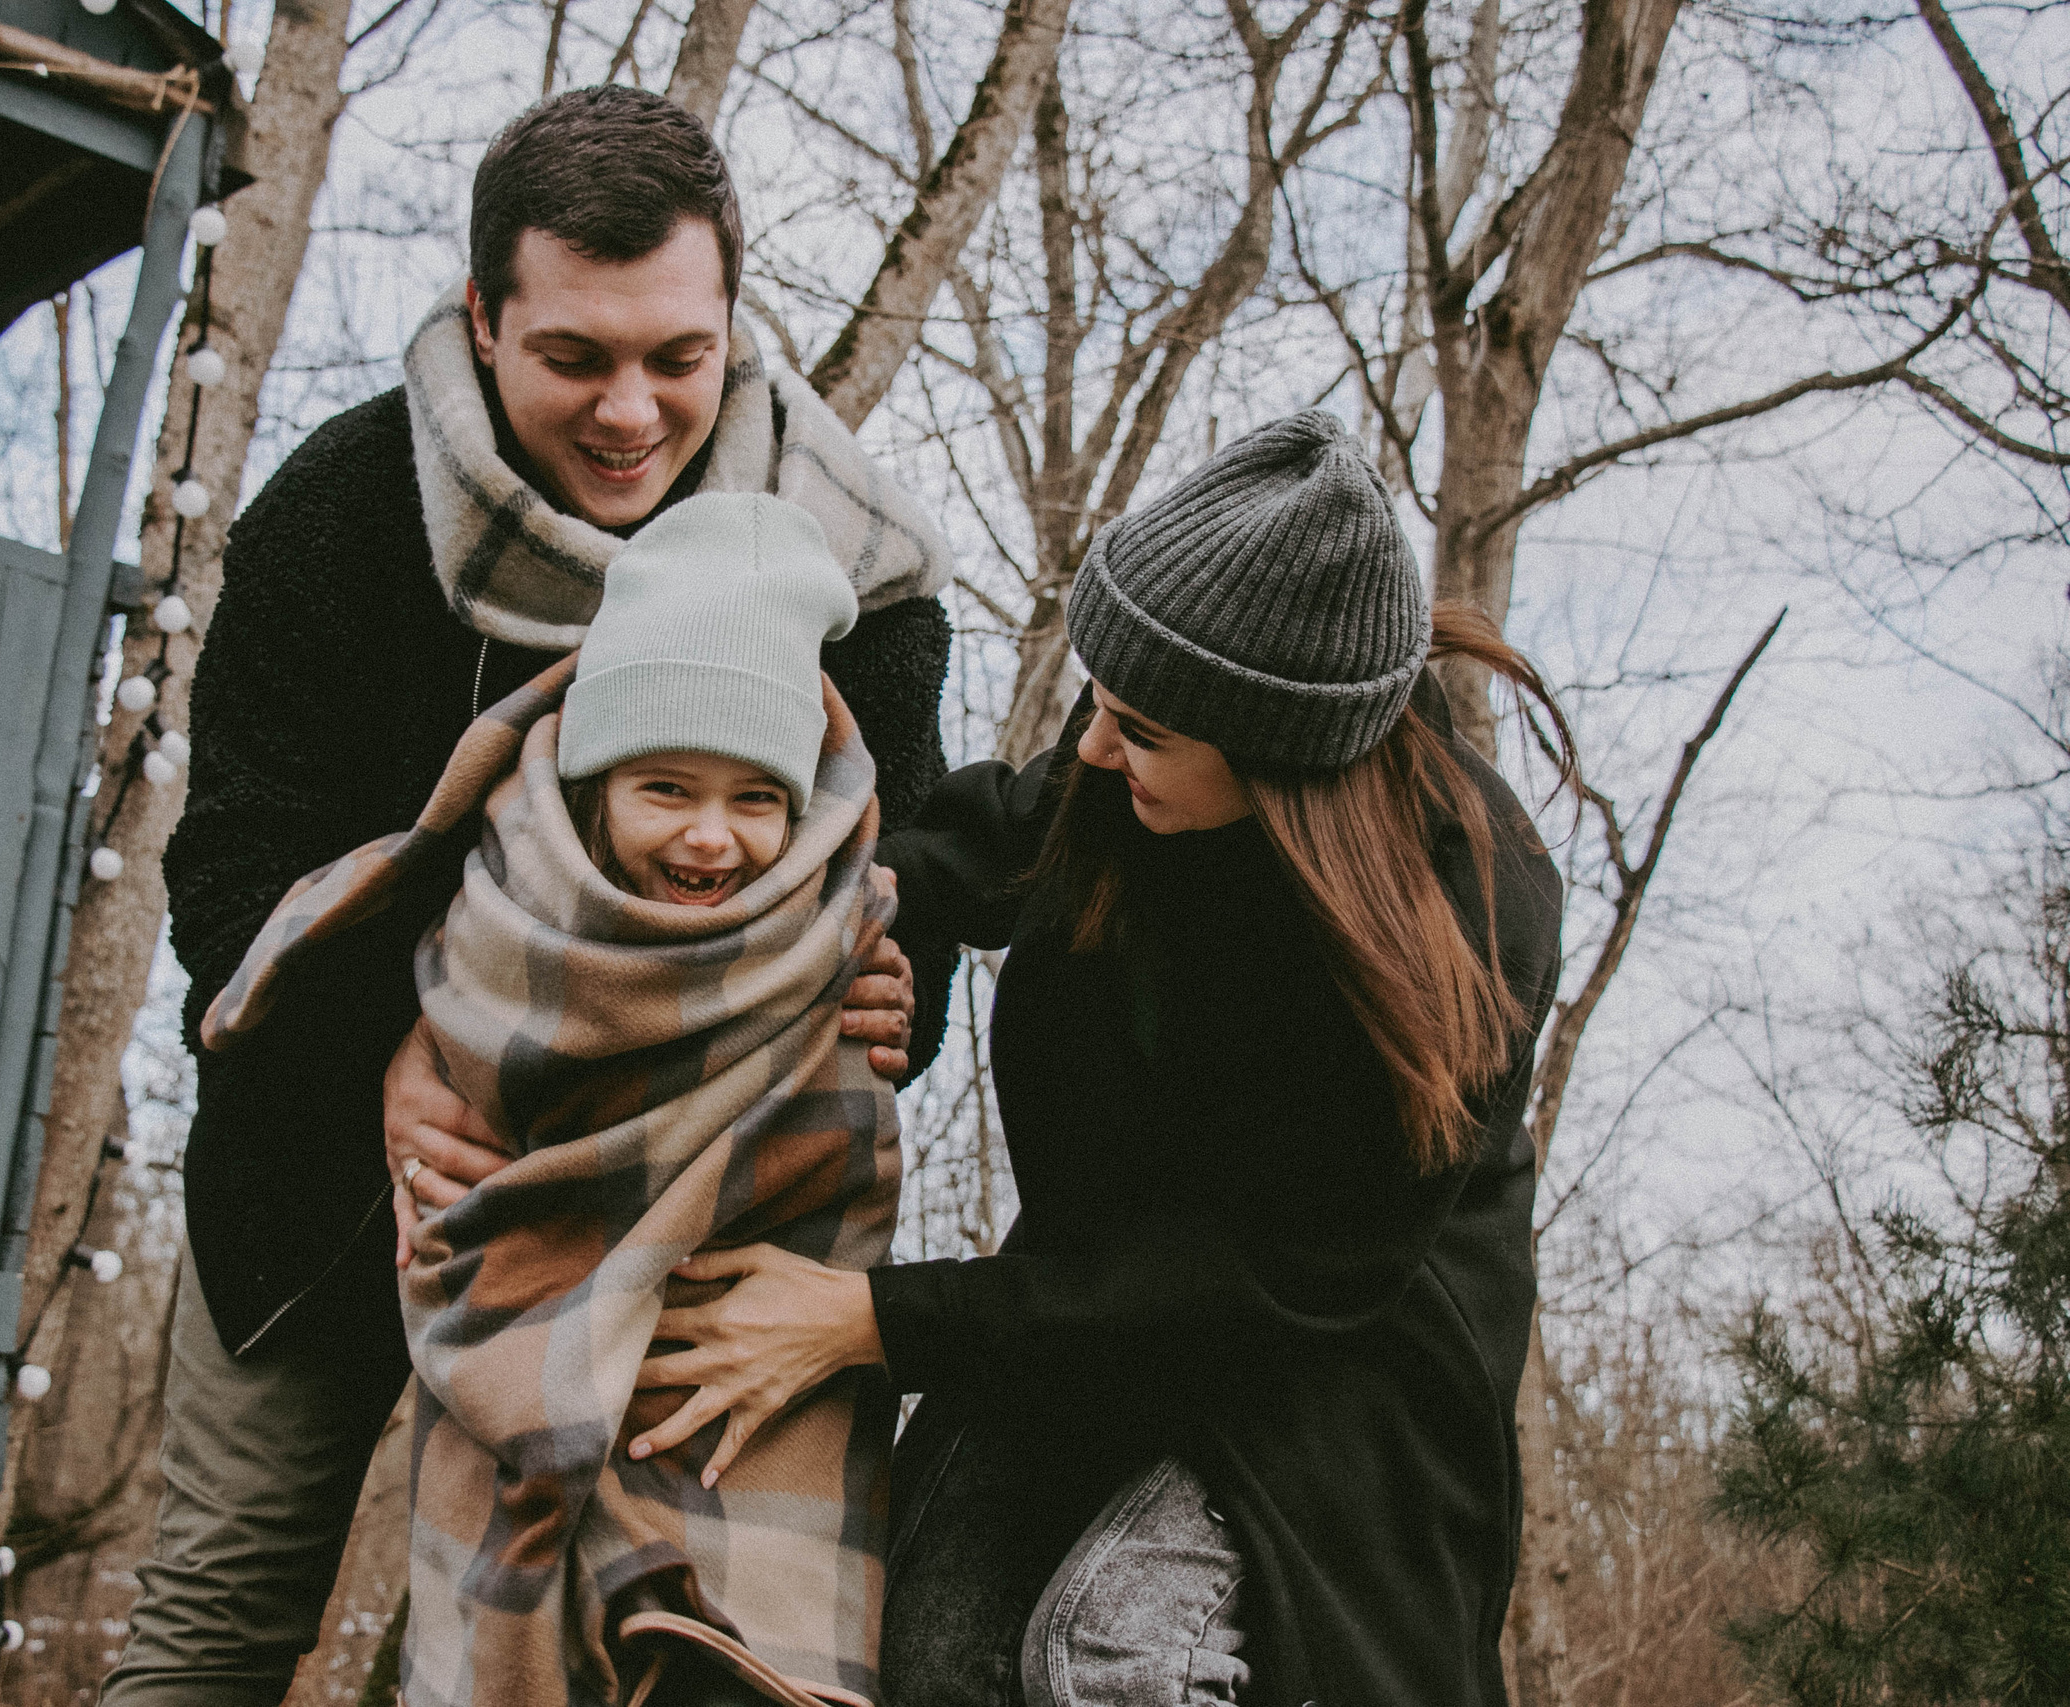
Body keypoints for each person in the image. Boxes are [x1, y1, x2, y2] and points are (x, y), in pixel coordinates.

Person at [103, 88, 955, 1707]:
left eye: (676, 357)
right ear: (483, 318)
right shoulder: (342, 518)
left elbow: (905, 892)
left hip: (662, 1211)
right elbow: (226, 882)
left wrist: (909, 990)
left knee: (556, 1654)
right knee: (217, 1620)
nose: (632, 409)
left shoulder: (864, 584)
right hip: (338, 1174)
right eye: (576, 356)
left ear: (731, 322)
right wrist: (400, 1056)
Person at [595, 411, 1571, 1706]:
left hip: (1330, 1369)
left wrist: (866, 1319)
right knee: (932, 1654)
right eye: (1103, 711)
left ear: (1285, 764)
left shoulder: (1461, 932)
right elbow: (987, 836)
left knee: (1111, 1658)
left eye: (1145, 733)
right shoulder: (1139, 768)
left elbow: (1246, 1283)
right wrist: (849, 926)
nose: (1098, 753)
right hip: (1082, 1304)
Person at [206, 493, 904, 1707]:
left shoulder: (840, 938)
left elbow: (830, 1162)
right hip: (521, 1344)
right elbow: (464, 1203)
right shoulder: (492, 929)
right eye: (666, 790)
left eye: (756, 799)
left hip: (749, 1361)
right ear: (594, 784)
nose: (712, 839)